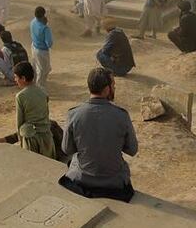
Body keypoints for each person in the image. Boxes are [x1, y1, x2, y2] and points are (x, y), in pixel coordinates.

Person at [59, 68, 138, 202]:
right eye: (113, 85)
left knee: (74, 161)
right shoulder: (121, 115)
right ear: (107, 89)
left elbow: (67, 149)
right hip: (115, 182)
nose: (114, 88)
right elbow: (132, 150)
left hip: (82, 178)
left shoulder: (74, 114)